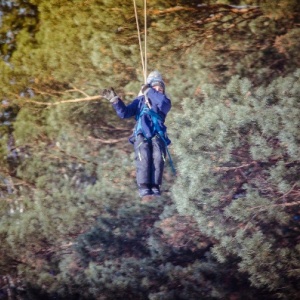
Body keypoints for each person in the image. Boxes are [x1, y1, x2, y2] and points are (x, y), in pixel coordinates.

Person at [102, 71, 171, 198]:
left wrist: (149, 91)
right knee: (143, 154)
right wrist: (115, 100)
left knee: (157, 157)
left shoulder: (163, 102)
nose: (158, 90)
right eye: (155, 87)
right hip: (142, 133)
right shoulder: (140, 101)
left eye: (160, 89)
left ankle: (155, 186)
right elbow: (125, 113)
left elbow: (164, 103)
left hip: (158, 134)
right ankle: (144, 186)